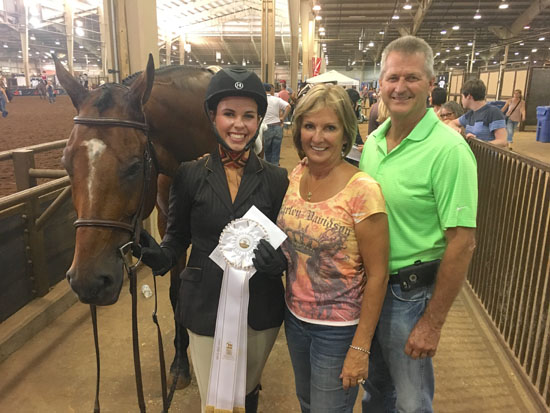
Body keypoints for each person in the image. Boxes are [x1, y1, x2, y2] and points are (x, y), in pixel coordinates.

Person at [134, 68, 289, 413]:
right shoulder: (188, 175)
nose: (239, 125)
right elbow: (177, 237)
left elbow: (282, 243)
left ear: (259, 119)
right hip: (204, 304)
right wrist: (159, 256)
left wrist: (279, 262)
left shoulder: (277, 180)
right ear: (213, 118)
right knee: (215, 399)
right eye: (229, 114)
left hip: (259, 307)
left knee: (247, 395)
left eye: (249, 116)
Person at [359, 35, 478, 413]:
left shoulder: (449, 150)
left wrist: (433, 322)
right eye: (392, 78)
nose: (400, 87)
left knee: (412, 401)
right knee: (376, 390)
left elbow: (462, 243)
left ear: (430, 84)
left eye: (412, 78)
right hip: (371, 290)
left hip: (410, 297)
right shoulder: (375, 142)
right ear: (380, 85)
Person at [277, 83, 390, 412]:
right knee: (307, 403)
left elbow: (378, 275)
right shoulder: (297, 175)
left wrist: (361, 346)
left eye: (329, 127)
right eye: (310, 126)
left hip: (338, 330)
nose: (317, 137)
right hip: (295, 316)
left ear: (345, 134)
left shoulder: (363, 191)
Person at [450, 79, 507, 148]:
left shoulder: (493, 112)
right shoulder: (470, 114)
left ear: (468, 96)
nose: (461, 100)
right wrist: (455, 128)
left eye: (462, 97)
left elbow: (502, 141)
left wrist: (478, 142)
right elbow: (452, 123)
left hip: (487, 157)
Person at [263, 83, 290, 165]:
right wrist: (283, 118)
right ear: (270, 90)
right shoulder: (276, 99)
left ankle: (268, 171)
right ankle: (275, 170)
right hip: (277, 126)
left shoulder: (262, 100)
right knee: (276, 151)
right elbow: (288, 106)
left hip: (266, 127)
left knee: (267, 152)